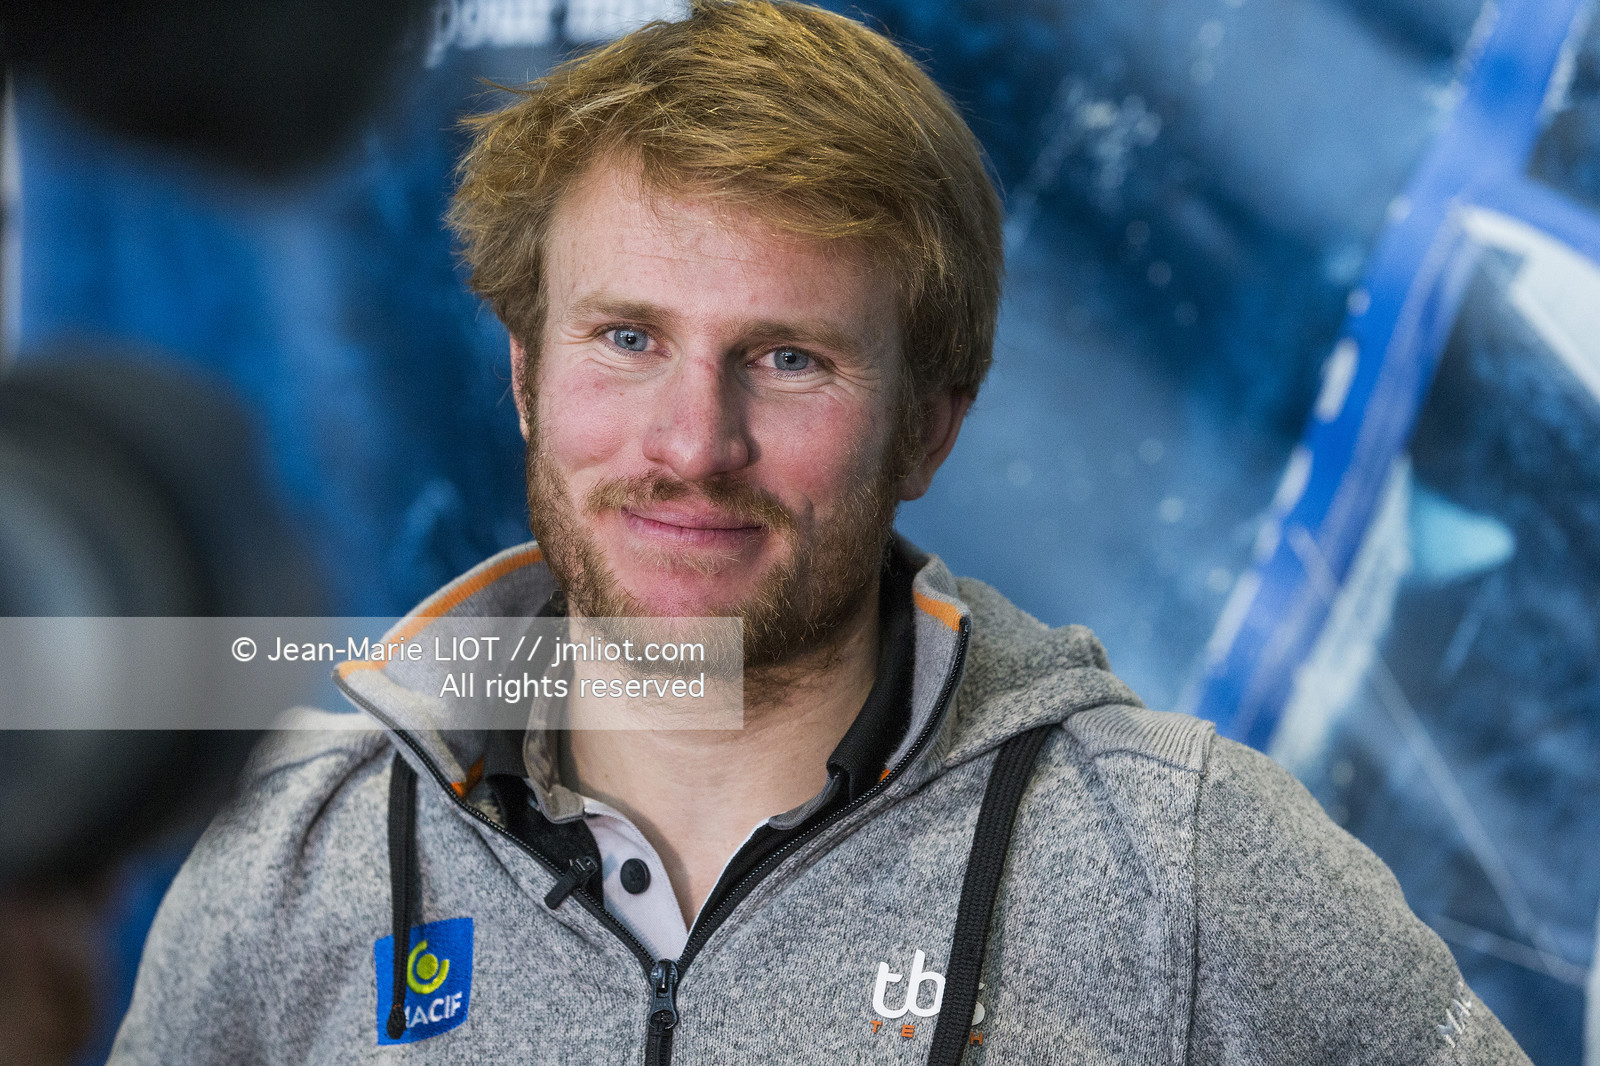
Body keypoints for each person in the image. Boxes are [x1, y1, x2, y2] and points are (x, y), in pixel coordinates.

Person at [110, 2, 1530, 1062]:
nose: (691, 445)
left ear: (932, 422)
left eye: (788, 358)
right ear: (526, 374)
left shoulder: (1185, 860)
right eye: (626, 339)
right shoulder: (293, 861)